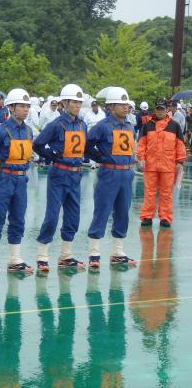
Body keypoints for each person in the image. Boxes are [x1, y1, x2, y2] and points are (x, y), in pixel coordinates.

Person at [33, 84, 88, 271]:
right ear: (64, 103)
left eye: (79, 102)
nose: (77, 105)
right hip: (59, 174)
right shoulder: (56, 124)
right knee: (53, 215)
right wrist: (51, 156)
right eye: (74, 102)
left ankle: (66, 255)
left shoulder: (82, 125)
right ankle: (42, 255)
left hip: (76, 175)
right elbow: (38, 144)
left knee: (73, 216)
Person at [0, 88, 34, 275]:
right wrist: (1, 164)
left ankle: (14, 258)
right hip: (4, 177)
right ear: (11, 108)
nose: (25, 109)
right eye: (21, 106)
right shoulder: (1, 130)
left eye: (27, 106)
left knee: (18, 219)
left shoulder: (28, 131)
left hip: (21, 180)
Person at [85, 86, 138, 269]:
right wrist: (100, 158)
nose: (126, 108)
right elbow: (87, 145)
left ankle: (118, 251)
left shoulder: (130, 126)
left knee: (123, 211)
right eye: (121, 105)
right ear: (110, 107)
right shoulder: (102, 126)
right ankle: (94, 252)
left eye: (127, 104)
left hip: (127, 173)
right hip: (109, 173)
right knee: (102, 210)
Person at [137, 98, 186, 228]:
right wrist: (141, 158)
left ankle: (166, 218)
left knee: (166, 193)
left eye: (162, 109)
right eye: (158, 109)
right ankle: (147, 216)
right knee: (149, 192)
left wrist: (180, 162)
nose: (160, 111)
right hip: (150, 165)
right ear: (155, 110)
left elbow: (180, 145)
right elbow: (141, 144)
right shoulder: (147, 126)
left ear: (167, 110)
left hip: (168, 166)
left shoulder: (175, 126)